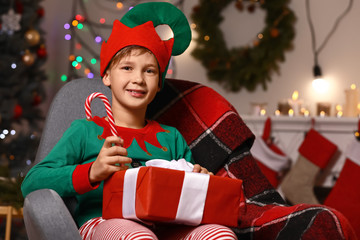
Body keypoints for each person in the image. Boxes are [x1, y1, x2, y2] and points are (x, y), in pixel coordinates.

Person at [21, 2, 238, 240]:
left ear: (158, 85)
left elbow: (189, 196)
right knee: (137, 237)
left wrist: (198, 178)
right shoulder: (85, 131)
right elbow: (32, 182)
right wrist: (92, 171)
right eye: (127, 67)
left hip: (167, 225)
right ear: (106, 75)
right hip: (104, 221)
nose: (138, 79)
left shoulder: (171, 137)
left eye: (149, 71)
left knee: (220, 234)